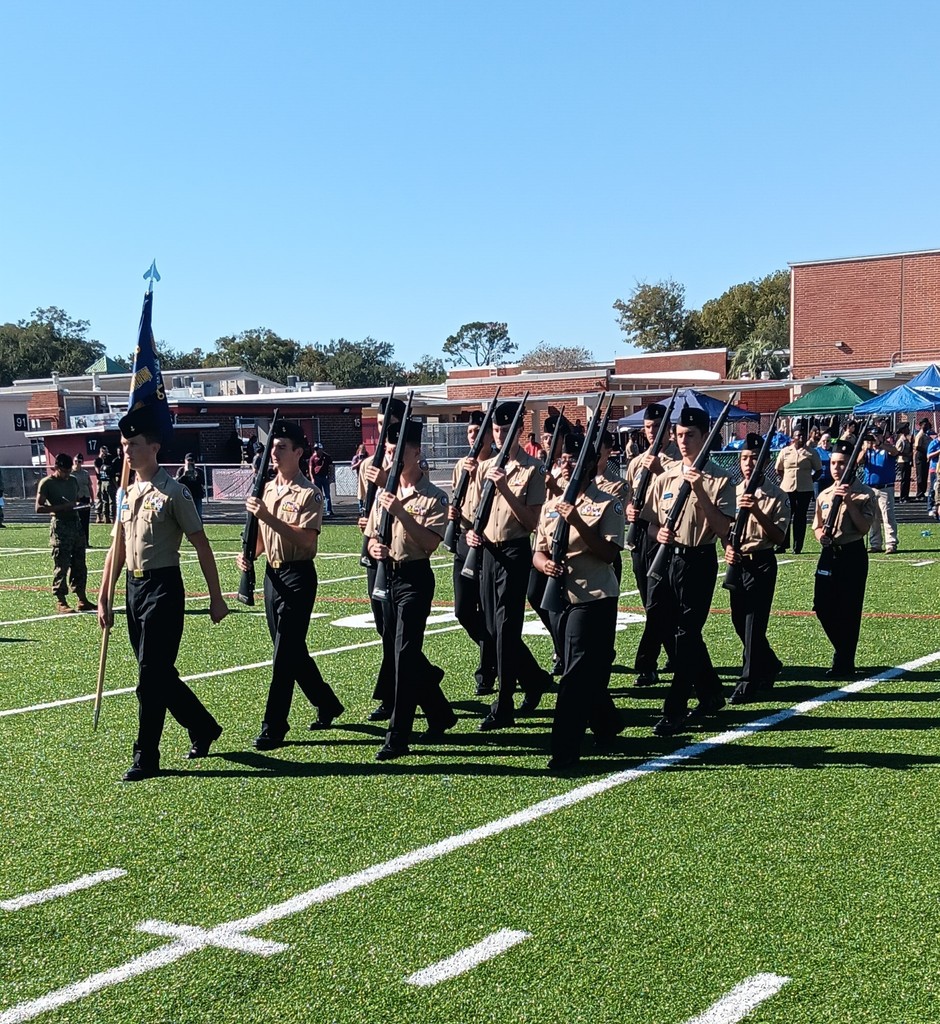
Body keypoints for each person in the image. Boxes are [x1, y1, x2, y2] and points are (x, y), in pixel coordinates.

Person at [97, 405, 229, 782]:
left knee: (149, 676)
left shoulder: (174, 492)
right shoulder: (126, 493)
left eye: (134, 444)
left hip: (163, 588)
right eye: (124, 444)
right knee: (157, 674)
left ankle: (146, 755)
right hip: (133, 589)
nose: (127, 451)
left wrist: (216, 597)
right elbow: (117, 549)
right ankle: (202, 726)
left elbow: (201, 544)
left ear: (154, 447)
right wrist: (104, 595)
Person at [236, 420, 343, 750]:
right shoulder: (266, 488)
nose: (274, 453)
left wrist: (267, 517)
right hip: (272, 576)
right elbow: (264, 540)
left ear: (298, 452)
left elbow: (307, 543)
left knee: (283, 656)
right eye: (273, 447)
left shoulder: (309, 493)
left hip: (298, 577)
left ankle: (274, 725)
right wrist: (249, 556)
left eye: (282, 447)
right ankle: (326, 702)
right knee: (291, 650)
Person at [641, 406, 735, 737]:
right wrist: (658, 534)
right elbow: (650, 524)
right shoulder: (665, 477)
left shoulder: (720, 478)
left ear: (705, 436)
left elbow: (725, 529)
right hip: (668, 559)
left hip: (698, 559)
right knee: (665, 625)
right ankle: (710, 690)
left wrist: (698, 490)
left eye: (690, 436)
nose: (683, 442)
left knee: (686, 634)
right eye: (679, 435)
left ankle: (675, 710)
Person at [534, 433, 625, 771]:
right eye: (564, 458)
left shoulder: (606, 502)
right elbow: (538, 553)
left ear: (589, 465)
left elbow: (608, 552)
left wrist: (576, 521)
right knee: (586, 671)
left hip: (594, 596)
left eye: (574, 458)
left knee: (573, 675)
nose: (566, 462)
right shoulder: (550, 505)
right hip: (560, 596)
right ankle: (607, 724)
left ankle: (564, 749)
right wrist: (547, 565)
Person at [365, 419, 455, 760]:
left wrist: (400, 512)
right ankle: (439, 711)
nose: (391, 458)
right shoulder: (384, 494)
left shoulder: (434, 496)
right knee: (400, 649)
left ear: (416, 453)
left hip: (415, 578)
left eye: (397, 451)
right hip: (386, 576)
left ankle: (398, 733)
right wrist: (374, 546)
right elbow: (374, 533)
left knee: (404, 652)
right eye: (387, 451)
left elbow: (430, 543)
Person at [466, 399, 552, 730]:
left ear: (518, 432)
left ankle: (503, 704)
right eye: (496, 430)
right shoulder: (485, 467)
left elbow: (531, 521)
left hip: (515, 552)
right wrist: (472, 533)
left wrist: (503, 487)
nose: (499, 435)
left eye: (505, 430)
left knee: (505, 626)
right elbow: (477, 511)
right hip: (487, 552)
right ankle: (533, 680)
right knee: (491, 628)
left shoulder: (533, 469)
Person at [723, 433, 789, 704]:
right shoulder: (733, 492)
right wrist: (727, 546)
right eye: (744, 458)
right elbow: (723, 527)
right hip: (738, 563)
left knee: (753, 623)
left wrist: (757, 511)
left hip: (761, 562)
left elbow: (779, 538)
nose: (748, 463)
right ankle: (770, 662)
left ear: (765, 462)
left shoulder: (777, 496)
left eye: (754, 458)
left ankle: (748, 680)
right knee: (739, 622)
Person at [624, 403, 678, 687]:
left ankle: (647, 662)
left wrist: (658, 471)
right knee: (650, 599)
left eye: (657, 428)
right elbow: (630, 499)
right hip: (642, 533)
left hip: (665, 533)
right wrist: (630, 512)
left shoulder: (675, 462)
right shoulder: (635, 463)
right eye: (648, 428)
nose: (652, 433)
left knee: (660, 599)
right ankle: (674, 652)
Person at [812, 439, 876, 678]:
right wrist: (821, 537)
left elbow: (863, 527)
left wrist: (848, 501)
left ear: (852, 466)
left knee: (849, 609)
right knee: (823, 606)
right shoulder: (825, 494)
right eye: (834, 463)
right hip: (830, 554)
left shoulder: (864, 493)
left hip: (852, 554)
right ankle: (843, 650)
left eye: (842, 464)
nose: (836, 468)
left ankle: (844, 660)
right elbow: (816, 526)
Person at [447, 412, 498, 695]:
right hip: (464, 542)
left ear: (490, 435)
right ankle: (497, 654)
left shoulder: (495, 465)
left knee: (488, 612)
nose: (474, 437)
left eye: (479, 431)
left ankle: (486, 671)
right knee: (463, 611)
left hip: (487, 543)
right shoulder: (460, 466)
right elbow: (458, 501)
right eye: (470, 432)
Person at [36, 453, 93, 614]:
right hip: (60, 526)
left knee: (80, 564)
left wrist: (79, 505)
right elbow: (39, 507)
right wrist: (61, 508)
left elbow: (74, 500)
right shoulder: (47, 483)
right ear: (56, 468)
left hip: (75, 524)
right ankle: (61, 601)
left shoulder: (73, 480)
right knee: (62, 564)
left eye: (69, 471)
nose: (67, 475)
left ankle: (82, 598)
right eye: (64, 472)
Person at [774, 426, 821, 554]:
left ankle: (797, 546)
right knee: (786, 516)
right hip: (787, 489)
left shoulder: (811, 452)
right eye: (798, 435)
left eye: (803, 435)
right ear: (793, 437)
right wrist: (786, 479)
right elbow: (778, 469)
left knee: (800, 517)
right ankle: (782, 545)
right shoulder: (785, 451)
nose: (800, 438)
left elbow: (819, 470)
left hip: (804, 489)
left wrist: (810, 480)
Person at [858, 427, 899, 552]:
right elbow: (858, 462)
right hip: (870, 488)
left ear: (881, 436)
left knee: (887, 516)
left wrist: (880, 444)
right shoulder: (868, 452)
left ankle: (891, 543)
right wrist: (864, 449)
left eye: (876, 435)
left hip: (885, 488)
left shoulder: (886, 449)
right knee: (873, 517)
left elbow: (895, 451)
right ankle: (875, 544)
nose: (873, 438)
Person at [175, 453, 206, 521]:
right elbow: (177, 482)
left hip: (196, 496)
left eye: (192, 460)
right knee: (185, 515)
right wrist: (184, 475)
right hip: (185, 496)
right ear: (185, 461)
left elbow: (203, 482)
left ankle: (199, 529)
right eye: (188, 460)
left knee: (198, 515)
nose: (190, 462)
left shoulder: (199, 471)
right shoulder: (181, 470)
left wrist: (196, 475)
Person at [71, 453, 93, 546]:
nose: (77, 463)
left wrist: (92, 498)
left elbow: (89, 486)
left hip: (86, 497)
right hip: (77, 499)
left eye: (79, 461)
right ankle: (77, 542)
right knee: (78, 521)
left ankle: (86, 542)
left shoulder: (85, 473)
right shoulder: (71, 473)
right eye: (76, 461)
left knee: (85, 521)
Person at [309, 442, 334, 517]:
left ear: (321, 449)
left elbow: (331, 467)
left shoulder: (327, 457)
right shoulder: (313, 458)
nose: (316, 451)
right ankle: (318, 510)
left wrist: (331, 477)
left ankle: (329, 510)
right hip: (317, 477)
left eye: (317, 449)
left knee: (327, 495)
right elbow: (310, 469)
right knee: (318, 495)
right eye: (315, 449)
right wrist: (312, 478)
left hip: (325, 477)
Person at [94, 445, 117, 523]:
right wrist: (117, 486)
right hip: (106, 482)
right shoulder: (101, 463)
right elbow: (112, 477)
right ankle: (111, 517)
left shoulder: (102, 466)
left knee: (105, 501)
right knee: (111, 501)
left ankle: (105, 517)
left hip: (103, 481)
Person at [913, 419, 932, 500]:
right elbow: (917, 447)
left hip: (925, 456)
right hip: (920, 456)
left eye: (927, 424)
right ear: (921, 425)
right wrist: (926, 451)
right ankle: (919, 493)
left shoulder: (926, 435)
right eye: (924, 425)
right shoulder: (919, 435)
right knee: (920, 476)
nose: (926, 426)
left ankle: (922, 492)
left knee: (924, 475)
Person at [895, 423, 912, 503]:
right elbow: (897, 452)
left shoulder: (906, 439)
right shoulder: (901, 440)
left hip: (907, 461)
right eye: (906, 428)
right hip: (902, 461)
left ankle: (906, 495)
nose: (908, 430)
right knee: (904, 479)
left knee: (907, 479)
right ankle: (902, 497)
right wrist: (907, 454)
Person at [927, 430, 940, 520]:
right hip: (935, 468)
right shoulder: (934, 443)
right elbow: (928, 456)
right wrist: (939, 451)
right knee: (933, 488)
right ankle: (930, 507)